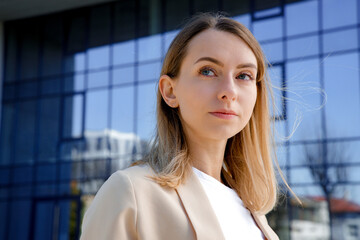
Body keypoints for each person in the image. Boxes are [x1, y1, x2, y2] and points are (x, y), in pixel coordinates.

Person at [80, 12, 287, 240]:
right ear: (170, 91)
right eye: (207, 71)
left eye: (244, 75)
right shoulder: (130, 192)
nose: (229, 91)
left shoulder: (254, 213)